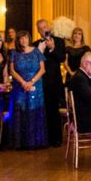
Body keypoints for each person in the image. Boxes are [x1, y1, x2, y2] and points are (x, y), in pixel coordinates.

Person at [7, 31, 47, 149]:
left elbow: (42, 69)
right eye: (20, 39)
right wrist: (23, 82)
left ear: (29, 39)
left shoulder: (36, 51)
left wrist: (31, 82)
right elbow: (12, 71)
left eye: (25, 38)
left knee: (34, 110)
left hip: (36, 85)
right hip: (20, 85)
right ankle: (20, 142)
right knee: (20, 110)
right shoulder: (15, 53)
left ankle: (35, 141)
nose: (23, 41)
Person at [35, 19, 67, 147]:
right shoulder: (35, 44)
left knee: (54, 110)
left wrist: (52, 48)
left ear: (49, 27)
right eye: (41, 28)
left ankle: (56, 139)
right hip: (39, 81)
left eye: (45, 26)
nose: (44, 29)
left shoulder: (59, 41)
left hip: (54, 81)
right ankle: (42, 139)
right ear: (38, 31)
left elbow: (62, 58)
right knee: (42, 110)